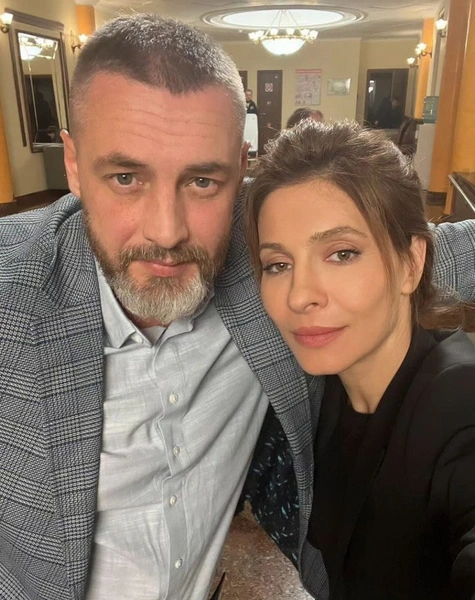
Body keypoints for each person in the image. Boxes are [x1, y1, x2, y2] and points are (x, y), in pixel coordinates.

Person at [0, 13, 474, 600]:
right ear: (73, 164)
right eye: (125, 177)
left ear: (241, 168)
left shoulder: (272, 246)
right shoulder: (13, 288)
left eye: (203, 182)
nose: (167, 232)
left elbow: (437, 252)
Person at [245, 119, 475, 599]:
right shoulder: (323, 392)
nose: (300, 296)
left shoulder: (458, 404)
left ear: (411, 264)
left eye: (342, 254)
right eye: (278, 265)